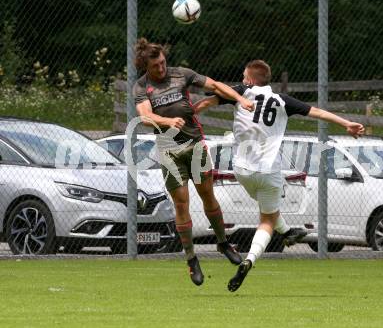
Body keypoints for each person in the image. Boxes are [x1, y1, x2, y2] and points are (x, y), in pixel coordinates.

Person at [193, 60, 365, 292]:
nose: (243, 80)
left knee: (268, 209)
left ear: (251, 80)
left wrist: (186, 113)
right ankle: (250, 260)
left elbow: (208, 100)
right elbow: (317, 112)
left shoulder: (242, 92)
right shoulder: (282, 100)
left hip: (241, 170)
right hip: (269, 171)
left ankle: (287, 232)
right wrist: (347, 123)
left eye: (244, 76)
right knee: (267, 219)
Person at [133, 38, 254, 286]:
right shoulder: (141, 86)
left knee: (208, 195)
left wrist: (240, 100)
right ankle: (191, 258)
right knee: (181, 204)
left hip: (195, 145)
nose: (161, 68)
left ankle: (222, 243)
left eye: (163, 63)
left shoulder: (181, 74)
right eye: (156, 66)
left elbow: (215, 85)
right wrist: (167, 122)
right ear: (146, 66)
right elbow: (145, 117)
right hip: (169, 151)